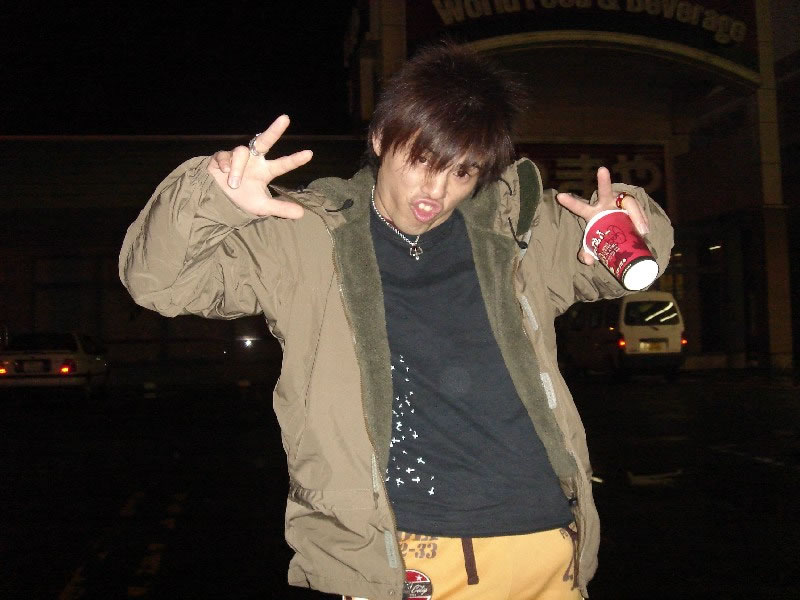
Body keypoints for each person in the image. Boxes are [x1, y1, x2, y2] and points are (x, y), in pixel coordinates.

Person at [120, 43, 673, 600]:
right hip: (398, 562)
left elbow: (634, 263)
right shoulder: (305, 236)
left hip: (544, 550)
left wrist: (628, 218)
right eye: (423, 160)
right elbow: (156, 281)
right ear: (382, 138)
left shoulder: (515, 232)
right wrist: (212, 198)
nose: (437, 191)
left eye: (462, 171)